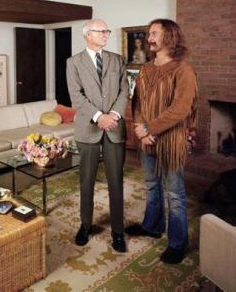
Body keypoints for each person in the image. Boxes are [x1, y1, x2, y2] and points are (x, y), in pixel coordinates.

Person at [125, 18, 198, 264]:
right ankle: (152, 227)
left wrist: (149, 128)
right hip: (147, 140)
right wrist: (140, 129)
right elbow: (137, 103)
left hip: (171, 142)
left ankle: (178, 243)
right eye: (149, 33)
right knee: (151, 186)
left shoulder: (183, 70)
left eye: (154, 33)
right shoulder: (145, 68)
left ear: (170, 36)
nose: (149, 38)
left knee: (175, 193)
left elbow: (181, 108)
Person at [66, 19, 129, 252]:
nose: (105, 34)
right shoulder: (73, 63)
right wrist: (98, 116)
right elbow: (76, 96)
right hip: (88, 129)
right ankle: (85, 225)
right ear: (87, 35)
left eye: (107, 31)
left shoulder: (117, 60)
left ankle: (118, 231)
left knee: (116, 182)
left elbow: (125, 91)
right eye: (100, 31)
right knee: (87, 181)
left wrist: (112, 115)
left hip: (114, 127)